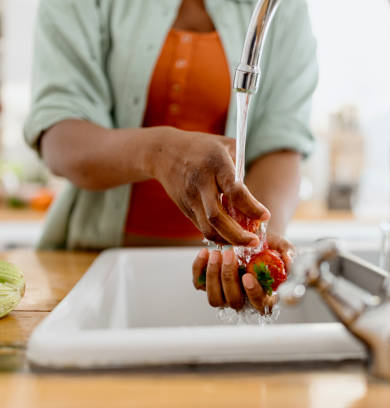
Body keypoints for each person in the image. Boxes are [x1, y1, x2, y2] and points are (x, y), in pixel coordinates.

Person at [24, 0, 318, 313]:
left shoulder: (281, 7)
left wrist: (256, 243)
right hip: (92, 269)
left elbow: (281, 140)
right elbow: (61, 139)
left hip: (219, 271)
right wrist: (159, 151)